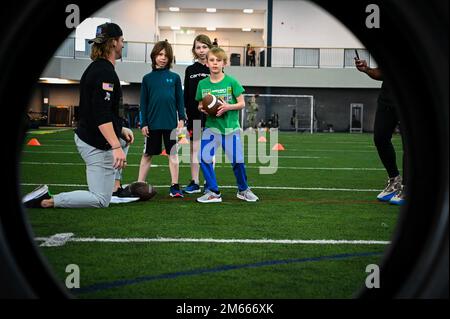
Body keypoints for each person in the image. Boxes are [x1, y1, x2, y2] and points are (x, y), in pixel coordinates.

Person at [23, 22, 134, 208]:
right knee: (100, 200)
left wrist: (120, 129)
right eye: (122, 40)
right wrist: (115, 146)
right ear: (114, 42)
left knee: (126, 137)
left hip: (91, 137)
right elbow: (100, 114)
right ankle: (46, 201)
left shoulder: (98, 68)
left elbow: (97, 109)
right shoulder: (104, 72)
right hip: (95, 143)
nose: (123, 44)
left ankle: (115, 184)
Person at [195, 47, 259, 203]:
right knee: (203, 157)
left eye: (218, 60)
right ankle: (213, 192)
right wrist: (203, 108)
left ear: (224, 63)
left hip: (230, 128)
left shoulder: (231, 82)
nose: (215, 63)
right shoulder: (202, 84)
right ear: (207, 63)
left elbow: (242, 103)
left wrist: (227, 107)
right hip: (211, 127)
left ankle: (243, 190)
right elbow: (199, 105)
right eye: (212, 60)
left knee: (237, 160)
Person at [137, 40, 186, 198]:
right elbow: (143, 103)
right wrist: (143, 122)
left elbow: (180, 100)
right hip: (152, 124)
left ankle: (175, 186)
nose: (163, 58)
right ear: (154, 56)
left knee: (173, 154)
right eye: (160, 54)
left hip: (171, 123)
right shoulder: (147, 79)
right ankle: (139, 185)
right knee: (147, 155)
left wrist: (182, 118)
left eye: (166, 55)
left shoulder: (175, 78)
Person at [355, 58, 406, 205]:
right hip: (387, 99)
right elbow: (381, 73)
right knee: (380, 138)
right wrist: (367, 69)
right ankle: (395, 180)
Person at [182, 34, 212, 194]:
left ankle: (209, 181)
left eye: (204, 47)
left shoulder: (214, 68)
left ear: (210, 48)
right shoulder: (190, 70)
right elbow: (187, 95)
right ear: (194, 50)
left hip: (211, 117)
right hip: (194, 116)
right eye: (198, 47)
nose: (201, 50)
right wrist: (186, 114)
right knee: (194, 148)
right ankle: (194, 182)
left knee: (208, 149)